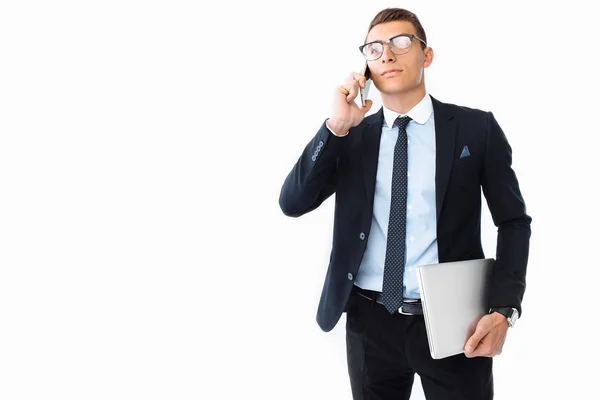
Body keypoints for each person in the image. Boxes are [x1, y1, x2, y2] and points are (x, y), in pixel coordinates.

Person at [278, 7, 531, 400]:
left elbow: (514, 222)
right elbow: (292, 203)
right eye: (374, 49)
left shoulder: (475, 129)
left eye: (400, 43)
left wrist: (504, 309)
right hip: (368, 321)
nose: (387, 56)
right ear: (364, 66)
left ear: (426, 55)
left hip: (455, 322)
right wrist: (336, 126)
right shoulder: (351, 137)